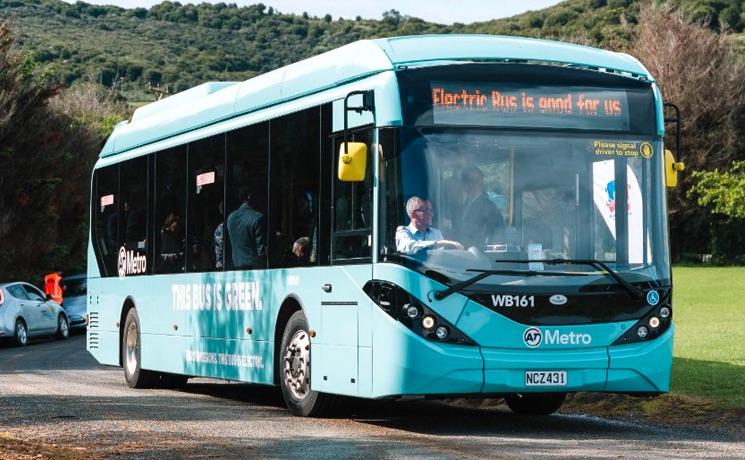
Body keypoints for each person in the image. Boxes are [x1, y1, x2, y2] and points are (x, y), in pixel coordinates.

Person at [395, 196, 464, 253]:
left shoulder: (436, 233)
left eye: (431, 210)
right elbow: (409, 246)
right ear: (413, 214)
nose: (431, 214)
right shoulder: (402, 231)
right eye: (427, 210)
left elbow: (443, 257)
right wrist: (439, 243)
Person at [457, 166, 504, 248]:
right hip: (461, 252)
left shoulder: (489, 207)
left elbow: (497, 234)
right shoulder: (461, 207)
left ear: (481, 182)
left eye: (475, 180)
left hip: (479, 254)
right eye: (467, 180)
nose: (471, 184)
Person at [227, 187, 266, 269]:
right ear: (249, 197)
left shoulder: (230, 217)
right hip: (253, 268)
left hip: (236, 267)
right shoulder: (258, 218)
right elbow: (261, 250)